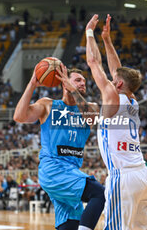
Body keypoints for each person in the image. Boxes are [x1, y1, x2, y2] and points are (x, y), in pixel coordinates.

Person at [85, 14, 147, 229]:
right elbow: (117, 71)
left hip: (123, 177)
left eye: (114, 80)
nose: (111, 79)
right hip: (143, 176)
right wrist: (106, 40)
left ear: (118, 84)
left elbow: (92, 62)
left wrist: (89, 33)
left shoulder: (113, 97)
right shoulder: (133, 100)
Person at [13, 64, 105, 230]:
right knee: (99, 193)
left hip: (71, 171)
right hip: (53, 169)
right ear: (64, 83)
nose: (83, 83)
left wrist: (74, 90)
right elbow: (19, 116)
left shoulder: (91, 107)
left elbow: (91, 120)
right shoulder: (48, 105)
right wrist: (32, 84)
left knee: (71, 223)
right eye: (77, 80)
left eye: (84, 81)